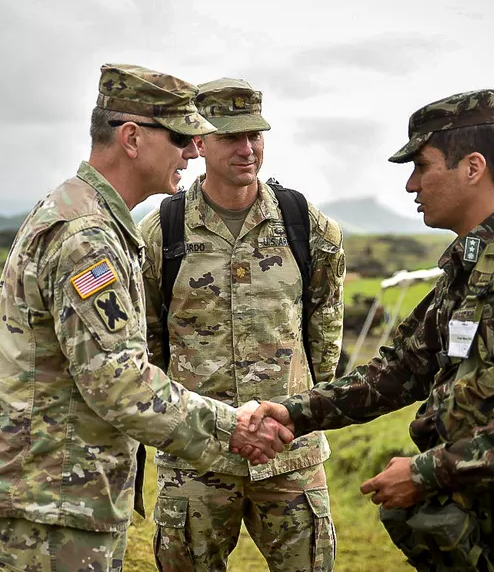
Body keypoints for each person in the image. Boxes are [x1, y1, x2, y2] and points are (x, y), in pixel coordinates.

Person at [246, 89, 494, 571]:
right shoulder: (473, 269)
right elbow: (397, 370)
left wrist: (423, 473)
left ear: (473, 167)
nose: (411, 185)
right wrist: (296, 413)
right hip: (477, 536)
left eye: (422, 166)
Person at [0, 63, 295, 572]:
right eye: (183, 136)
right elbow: (121, 383)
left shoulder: (90, 217)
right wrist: (232, 428)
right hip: (53, 499)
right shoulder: (87, 238)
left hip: (57, 487)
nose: (193, 151)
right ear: (132, 138)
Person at [139, 78, 345, 571]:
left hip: (289, 449)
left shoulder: (304, 223)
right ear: (199, 142)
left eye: (255, 134)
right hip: (197, 453)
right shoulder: (161, 231)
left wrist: (306, 411)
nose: (247, 148)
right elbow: (147, 344)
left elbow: (325, 329)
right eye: (231, 136)